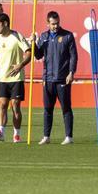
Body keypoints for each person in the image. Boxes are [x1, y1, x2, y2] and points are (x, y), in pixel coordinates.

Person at [32, 10, 76, 145]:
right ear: (48, 23)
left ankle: (69, 136)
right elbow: (38, 55)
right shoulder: (44, 37)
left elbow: (74, 56)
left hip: (63, 79)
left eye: (57, 23)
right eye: (52, 24)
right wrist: (33, 43)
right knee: (47, 109)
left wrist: (71, 72)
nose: (55, 26)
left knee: (66, 108)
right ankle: (46, 136)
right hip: (48, 79)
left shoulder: (67, 36)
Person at [0, 12, 31, 143]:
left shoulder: (17, 36)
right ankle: (1, 132)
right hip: (2, 78)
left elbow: (28, 52)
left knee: (15, 106)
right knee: (2, 105)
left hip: (16, 78)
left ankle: (16, 134)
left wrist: (21, 65)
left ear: (5, 23)